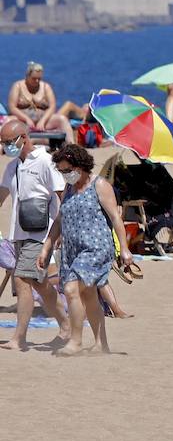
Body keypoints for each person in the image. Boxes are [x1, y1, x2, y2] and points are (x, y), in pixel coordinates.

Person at [39, 144, 131, 356]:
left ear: (80, 166)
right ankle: (101, 345)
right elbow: (59, 221)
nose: (65, 175)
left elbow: (116, 218)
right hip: (72, 250)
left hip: (96, 247)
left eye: (67, 170)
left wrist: (124, 249)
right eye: (61, 171)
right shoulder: (69, 190)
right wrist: (46, 247)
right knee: (88, 295)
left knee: (71, 289)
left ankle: (76, 342)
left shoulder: (99, 185)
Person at [0, 119, 66, 352]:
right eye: (2, 143)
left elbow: (62, 195)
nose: (5, 147)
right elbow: (2, 197)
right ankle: (66, 324)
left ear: (24, 138)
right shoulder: (12, 167)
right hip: (18, 233)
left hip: (42, 234)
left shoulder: (47, 162)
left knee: (21, 280)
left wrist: (60, 231)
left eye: (8, 142)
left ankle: (19, 338)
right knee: (40, 283)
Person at [8, 62, 74, 140]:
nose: (37, 81)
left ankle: (72, 145)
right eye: (34, 78)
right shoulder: (17, 86)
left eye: (39, 79)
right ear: (27, 76)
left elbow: (52, 106)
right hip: (22, 122)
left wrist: (43, 121)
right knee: (8, 120)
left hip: (44, 122)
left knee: (62, 119)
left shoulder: (46, 87)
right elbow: (12, 107)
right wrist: (26, 119)